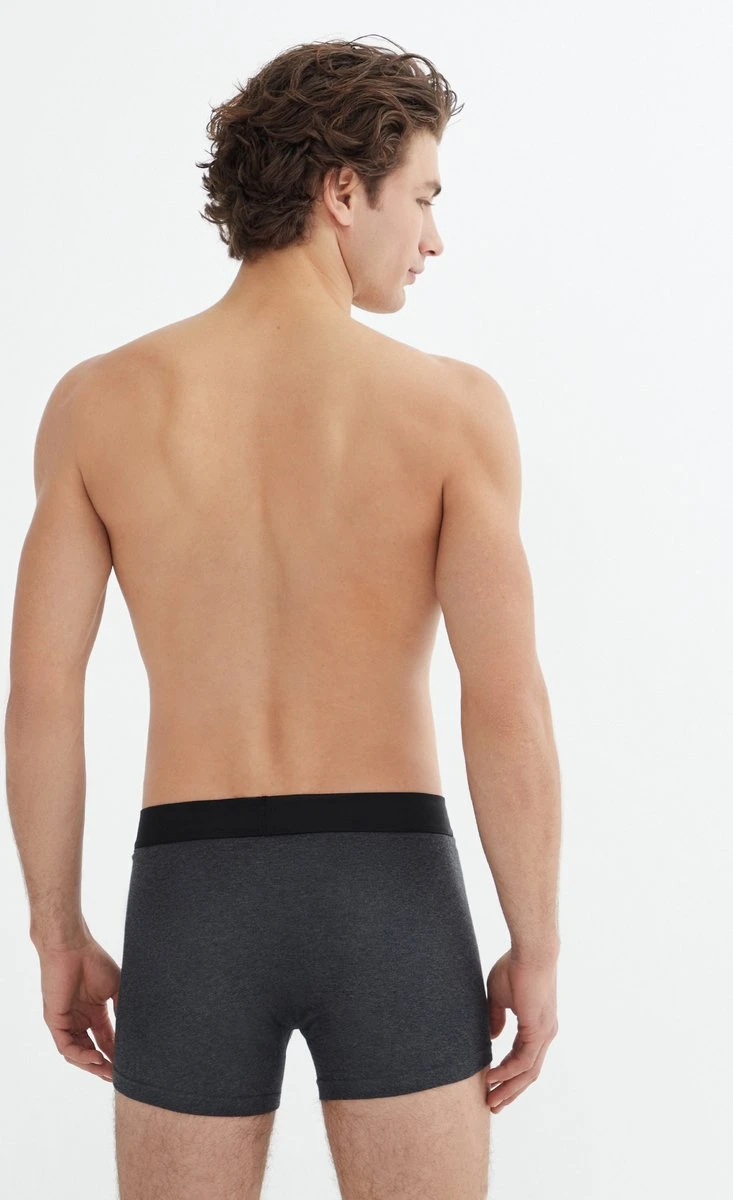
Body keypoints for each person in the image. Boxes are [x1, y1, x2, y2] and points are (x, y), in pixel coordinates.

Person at [5, 35, 561, 1200]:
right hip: (391, 893)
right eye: (424, 197)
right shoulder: (452, 411)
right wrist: (536, 942)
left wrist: (56, 930)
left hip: (191, 901)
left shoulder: (99, 405)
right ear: (343, 191)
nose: (434, 238)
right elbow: (504, 698)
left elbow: (42, 693)